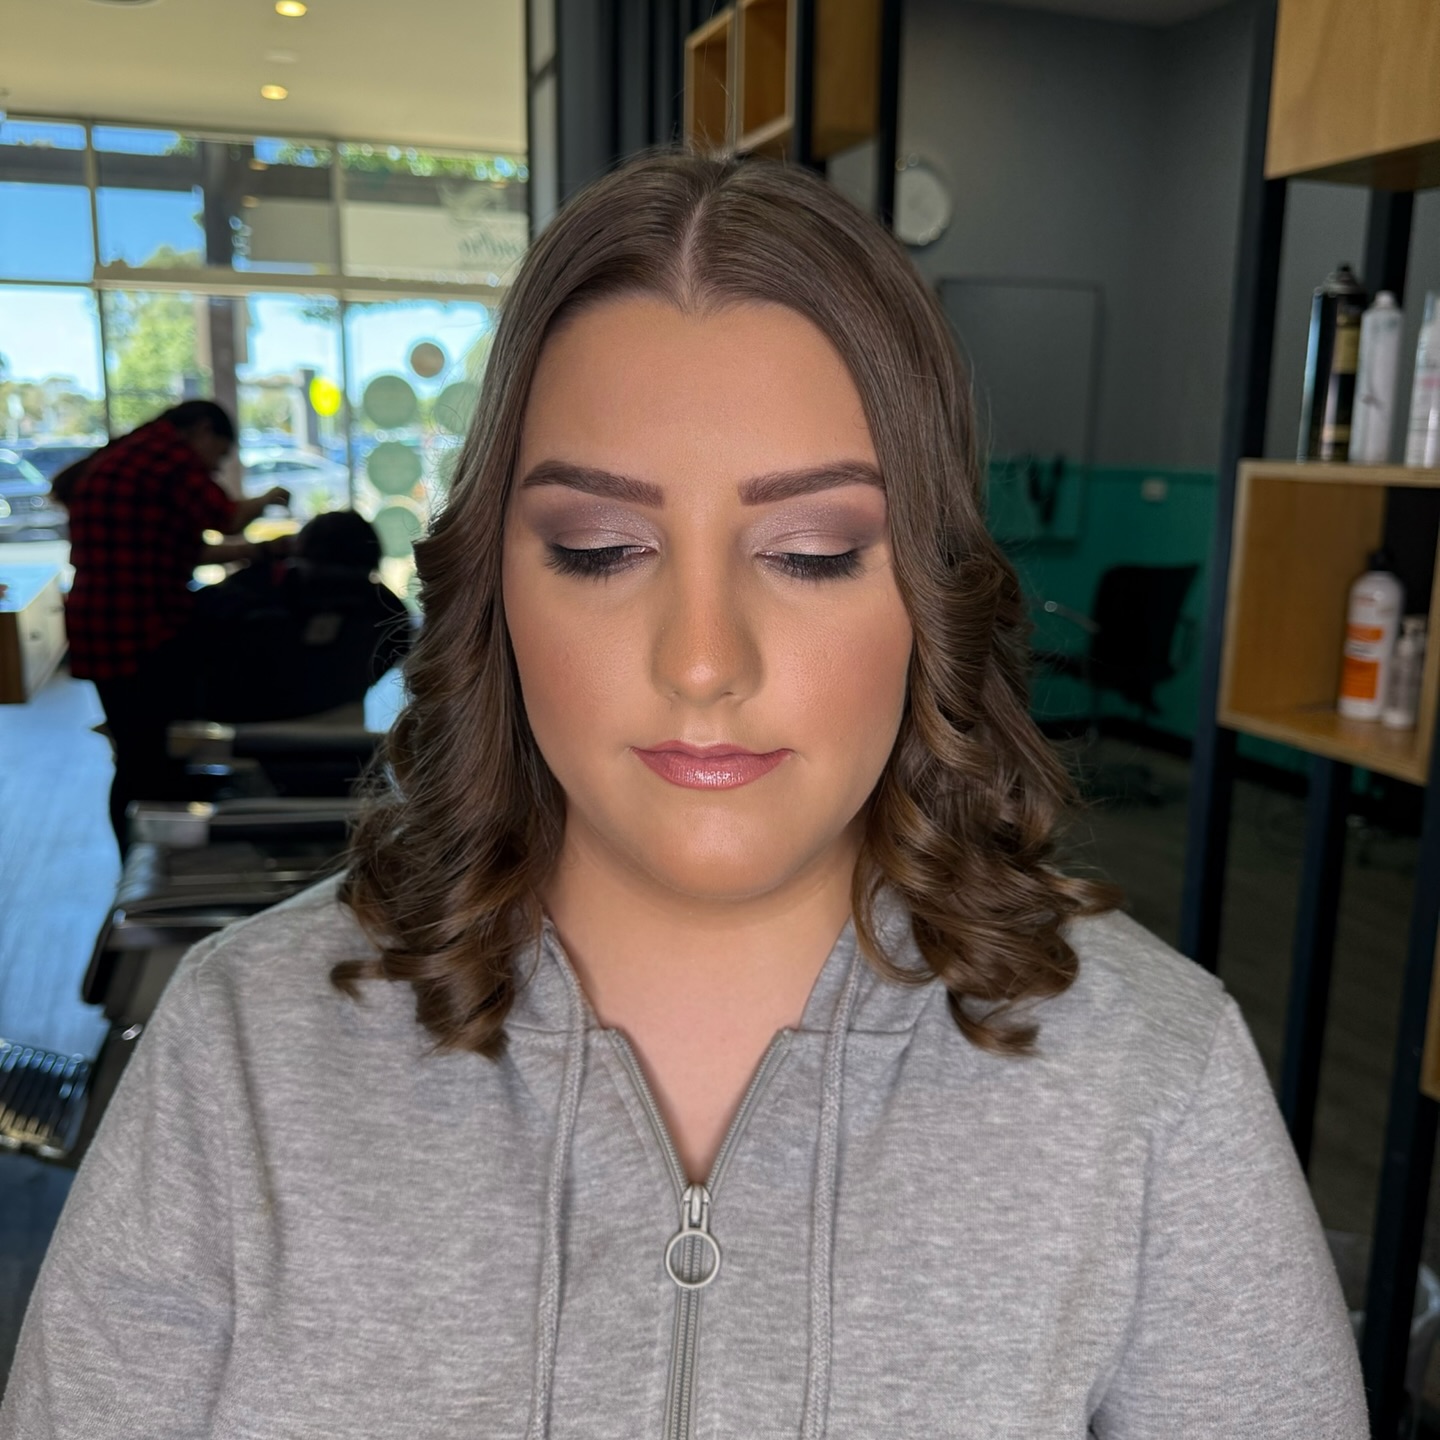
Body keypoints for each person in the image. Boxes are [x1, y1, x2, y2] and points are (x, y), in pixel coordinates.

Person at [4, 153, 1365, 1437]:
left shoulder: (1153, 1080)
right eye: (600, 549)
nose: (703, 661)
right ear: (495, 586)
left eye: (813, 551)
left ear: (929, 594)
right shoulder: (243, 1056)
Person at [62, 400, 289, 850]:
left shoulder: (134, 455)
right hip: (133, 624)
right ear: (203, 430)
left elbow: (178, 552)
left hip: (100, 620)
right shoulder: (166, 455)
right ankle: (146, 858)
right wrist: (269, 499)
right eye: (219, 455)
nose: (215, 468)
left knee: (138, 748)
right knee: (144, 756)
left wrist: (261, 551)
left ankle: (147, 852)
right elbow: (227, 520)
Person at [190, 508, 413, 721]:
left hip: (242, 717)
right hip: (341, 716)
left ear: (301, 548)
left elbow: (199, 620)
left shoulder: (262, 589)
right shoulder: (381, 606)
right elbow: (400, 640)